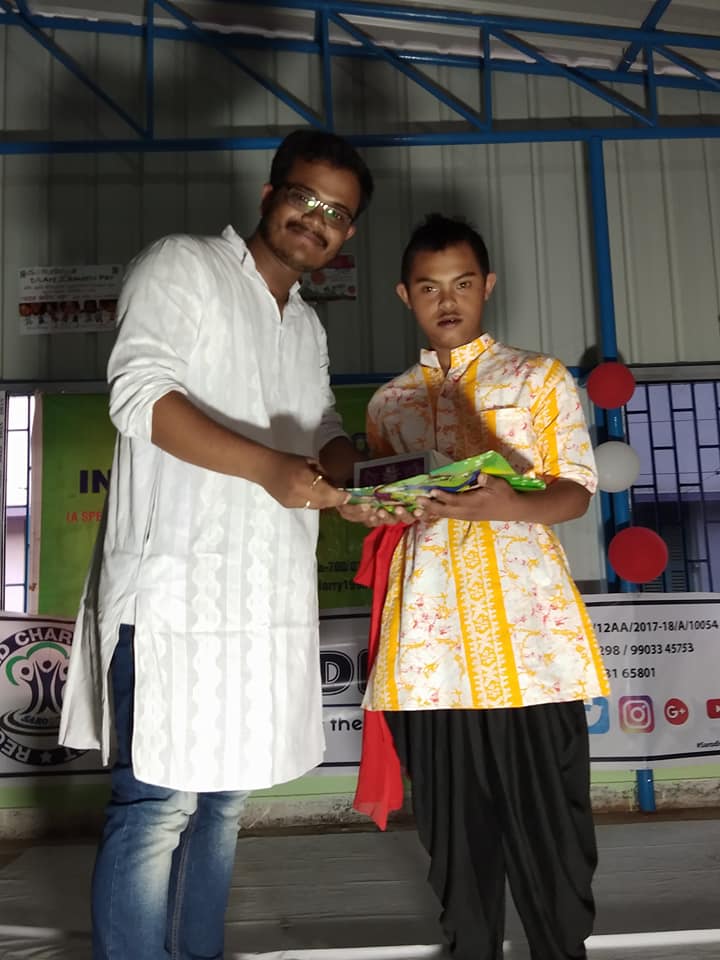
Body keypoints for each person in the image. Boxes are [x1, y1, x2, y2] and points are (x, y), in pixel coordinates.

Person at [58, 129, 373, 960]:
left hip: (263, 598)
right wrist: (271, 468)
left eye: (337, 213)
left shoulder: (304, 325)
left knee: (225, 805)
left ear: (346, 235)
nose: (317, 219)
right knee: (156, 804)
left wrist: (365, 478)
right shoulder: (183, 265)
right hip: (175, 596)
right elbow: (140, 395)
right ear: (270, 195)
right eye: (305, 197)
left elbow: (325, 427)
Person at [348, 214, 609, 960]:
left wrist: (509, 504)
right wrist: (365, 507)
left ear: (486, 286)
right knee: (457, 847)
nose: (448, 301)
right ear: (406, 295)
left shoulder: (539, 378)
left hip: (532, 649)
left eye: (462, 284)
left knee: (553, 837)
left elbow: (576, 493)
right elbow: (391, 504)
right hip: (428, 656)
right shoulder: (389, 404)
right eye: (429, 288)